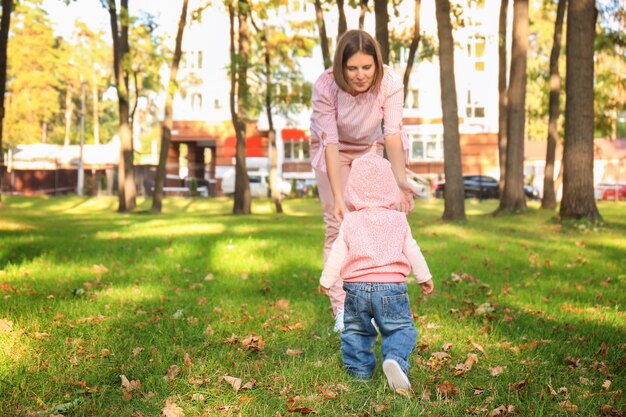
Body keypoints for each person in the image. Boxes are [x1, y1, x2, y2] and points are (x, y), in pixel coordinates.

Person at [310, 29, 414, 332]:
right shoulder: (326, 85)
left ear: (376, 64)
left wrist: (401, 182)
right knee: (338, 224)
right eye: (351, 68)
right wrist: (340, 199)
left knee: (380, 223)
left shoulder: (390, 82)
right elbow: (329, 143)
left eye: (366, 67)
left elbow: (392, 133)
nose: (359, 75)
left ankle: (380, 301)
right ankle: (343, 310)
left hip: (373, 148)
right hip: (335, 150)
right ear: (340, 68)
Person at [318, 153, 434, 392]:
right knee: (400, 328)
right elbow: (412, 250)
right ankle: (395, 359)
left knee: (356, 330)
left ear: (353, 189)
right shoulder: (398, 219)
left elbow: (337, 253)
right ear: (390, 187)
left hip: (356, 289)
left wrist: (326, 281)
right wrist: (424, 276)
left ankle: (359, 371)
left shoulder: (350, 221)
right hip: (392, 288)